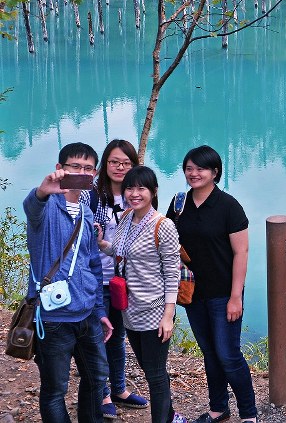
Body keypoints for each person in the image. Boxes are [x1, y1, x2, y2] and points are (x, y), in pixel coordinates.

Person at [167, 145, 257, 423]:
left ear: (215, 172)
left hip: (223, 293)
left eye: (200, 168)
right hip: (193, 293)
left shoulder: (229, 206)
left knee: (228, 354)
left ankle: (249, 414)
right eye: (189, 168)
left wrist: (235, 297)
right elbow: (168, 242)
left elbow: (241, 253)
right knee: (209, 353)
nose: (193, 173)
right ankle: (219, 409)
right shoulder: (179, 203)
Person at [23, 142, 113, 423]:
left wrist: (100, 311)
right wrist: (41, 192)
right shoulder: (46, 207)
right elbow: (31, 207)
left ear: (95, 174)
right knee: (55, 389)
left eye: (88, 169)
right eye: (75, 166)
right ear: (60, 169)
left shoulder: (86, 214)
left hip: (86, 314)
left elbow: (93, 265)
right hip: (53, 317)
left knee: (96, 379)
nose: (82, 173)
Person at [98, 166, 185, 423]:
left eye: (141, 189)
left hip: (154, 309)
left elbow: (172, 273)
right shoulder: (126, 218)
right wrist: (103, 243)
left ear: (153, 192)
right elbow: (120, 251)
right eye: (130, 188)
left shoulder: (163, 225)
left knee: (156, 375)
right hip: (129, 308)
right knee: (150, 369)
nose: (134, 194)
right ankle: (169, 416)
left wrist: (168, 316)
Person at [93, 139, 148, 419]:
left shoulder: (135, 195)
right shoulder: (91, 195)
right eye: (114, 162)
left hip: (124, 280)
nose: (120, 167)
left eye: (126, 163)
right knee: (99, 337)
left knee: (118, 336)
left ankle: (119, 388)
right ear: (105, 164)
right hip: (96, 279)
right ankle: (101, 394)